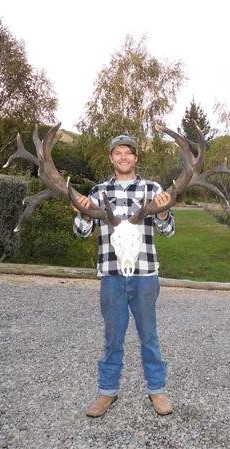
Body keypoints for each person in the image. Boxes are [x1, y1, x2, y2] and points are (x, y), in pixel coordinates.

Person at [73, 135, 175, 418]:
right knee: (112, 337)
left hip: (145, 275)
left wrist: (164, 213)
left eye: (128, 153)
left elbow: (168, 231)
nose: (123, 158)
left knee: (149, 336)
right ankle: (107, 392)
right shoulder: (98, 191)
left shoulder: (153, 189)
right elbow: (82, 233)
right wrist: (81, 213)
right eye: (118, 153)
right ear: (111, 158)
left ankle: (157, 390)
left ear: (136, 158)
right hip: (112, 276)